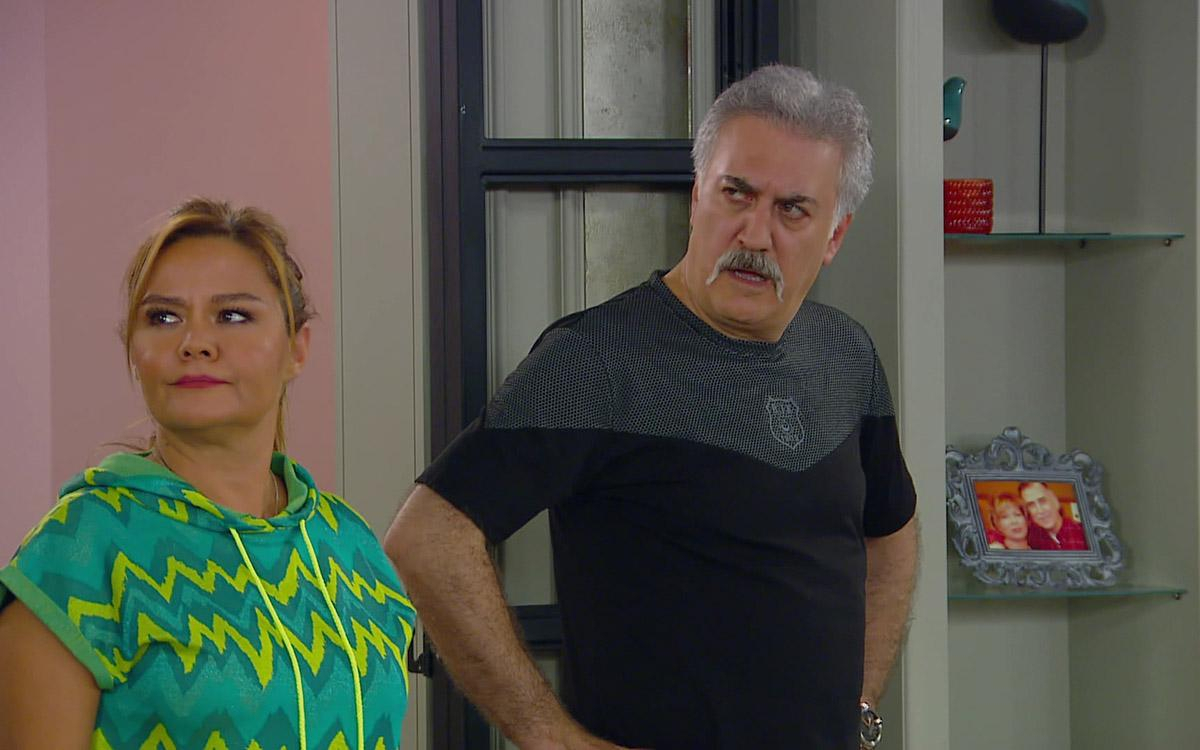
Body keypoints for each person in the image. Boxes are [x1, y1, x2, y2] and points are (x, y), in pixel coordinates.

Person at [388, 64, 918, 749]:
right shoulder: (596, 359)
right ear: (698, 196)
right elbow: (428, 538)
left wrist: (860, 705)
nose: (755, 235)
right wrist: (551, 737)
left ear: (835, 235)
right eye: (736, 193)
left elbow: (892, 530)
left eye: (792, 210)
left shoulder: (845, 353)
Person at [0, 198, 417, 750]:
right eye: (163, 317)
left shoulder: (351, 547)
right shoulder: (76, 555)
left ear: (297, 349)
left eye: (233, 315)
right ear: (133, 350)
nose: (194, 342)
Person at [1019, 481, 1089, 551]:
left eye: (1043, 501)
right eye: (1031, 505)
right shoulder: (1033, 537)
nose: (1040, 510)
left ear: (1055, 501)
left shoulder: (1084, 534)